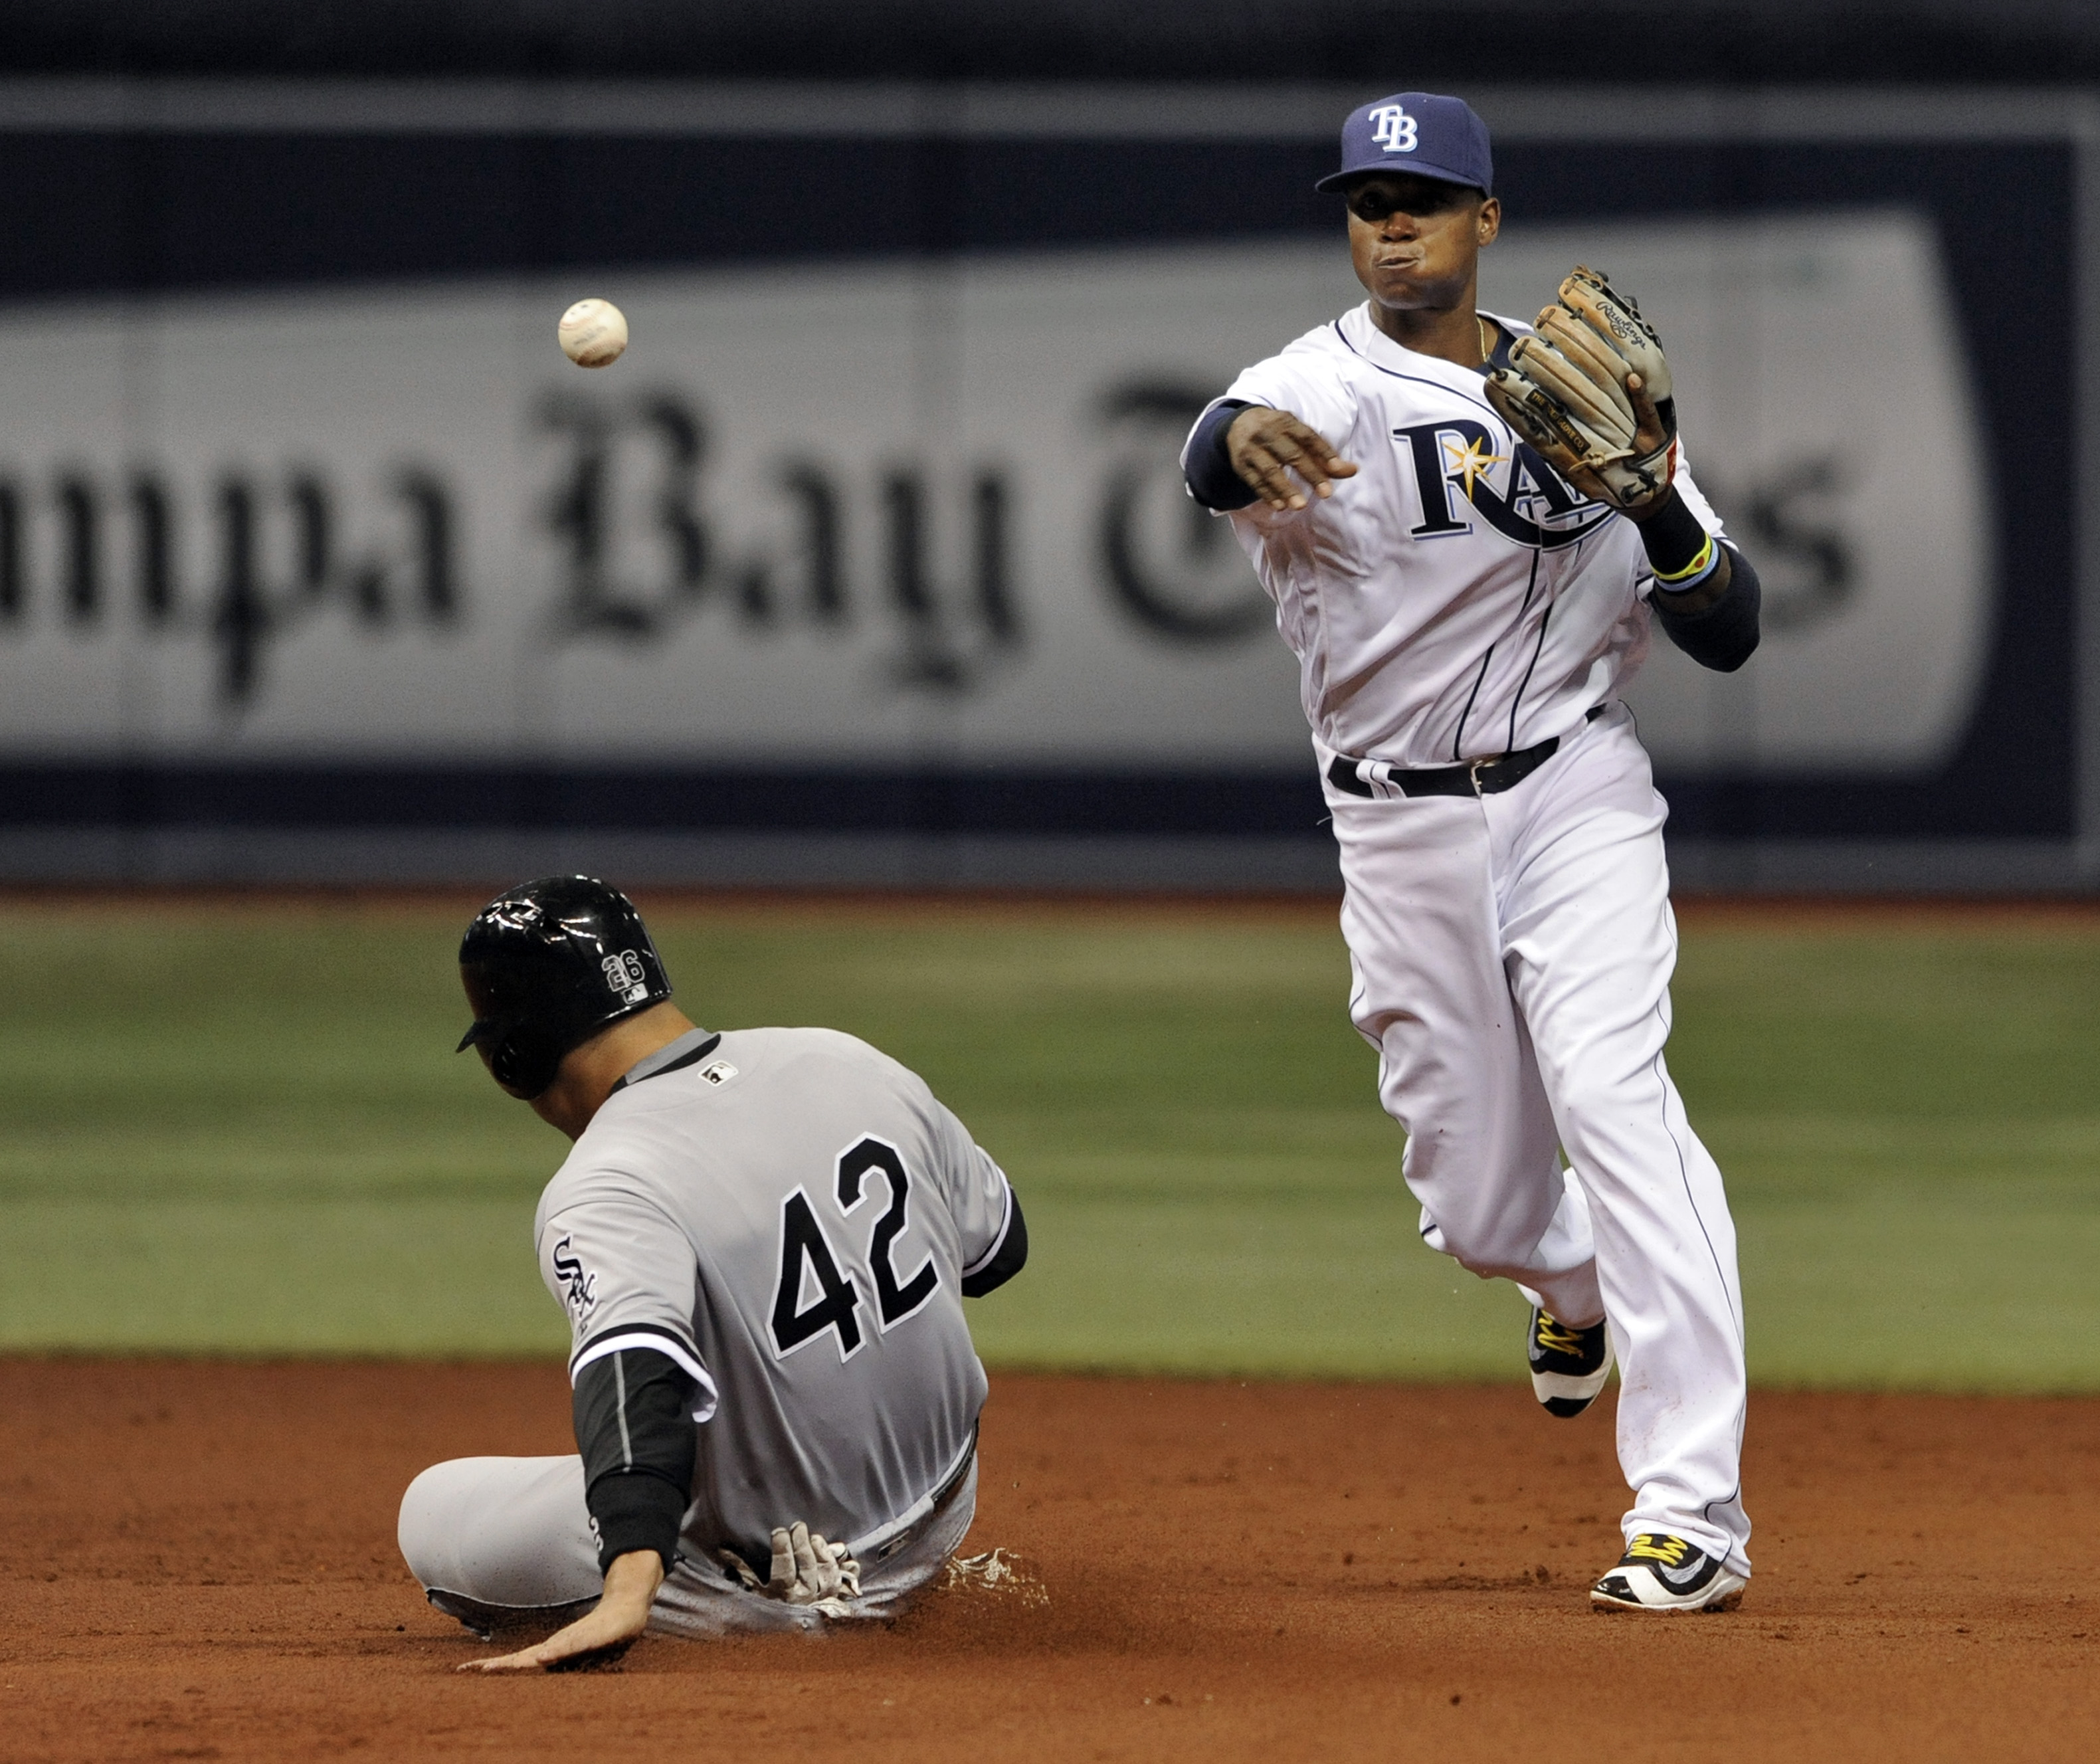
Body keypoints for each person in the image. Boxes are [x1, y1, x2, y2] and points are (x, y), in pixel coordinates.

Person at [1179, 93, 1759, 1613]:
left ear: (1483, 220)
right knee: (1477, 1207)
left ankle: (1688, 1512)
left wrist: (1661, 509)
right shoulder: (1316, 383)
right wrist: (1239, 440)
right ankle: (1564, 1285)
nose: (1391, 220)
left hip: (1577, 791)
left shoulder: (1587, 388)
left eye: (1423, 197)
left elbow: (1731, 622)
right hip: (1397, 825)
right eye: (1368, 197)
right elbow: (1209, 451)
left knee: (1618, 1099)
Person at [397, 875, 1028, 1668]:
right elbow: (999, 1251)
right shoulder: (844, 1056)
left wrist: (627, 1591)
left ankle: (778, 1604)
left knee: (431, 1510)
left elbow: (635, 1380)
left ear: (511, 1058)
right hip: (945, 1503)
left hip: (770, 1569)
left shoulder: (606, 1178)